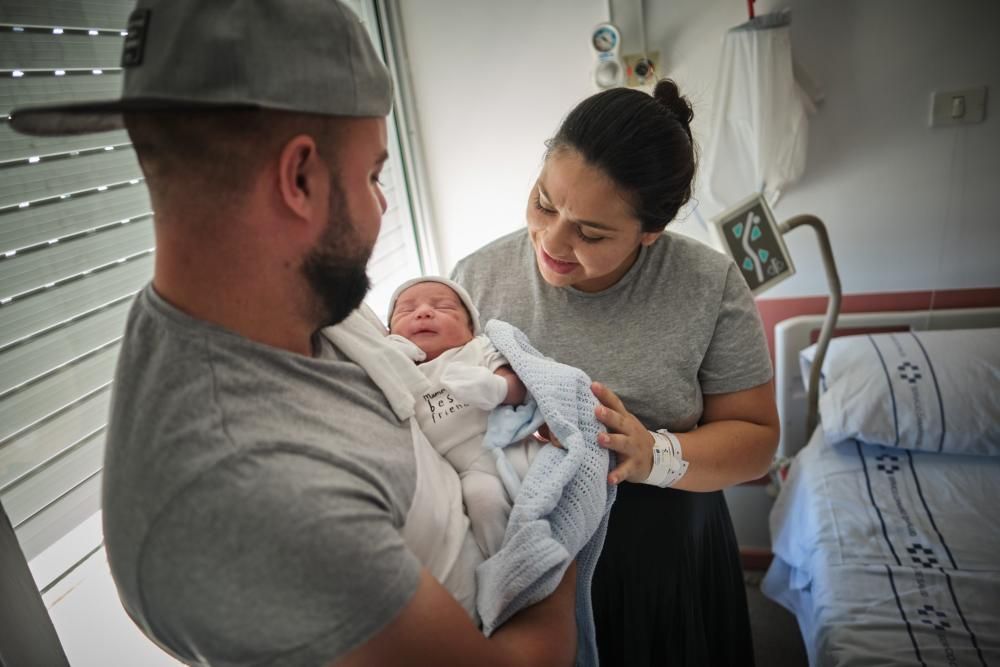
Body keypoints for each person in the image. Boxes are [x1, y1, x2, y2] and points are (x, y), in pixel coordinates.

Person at [10, 1, 577, 665]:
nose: (383, 205)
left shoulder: (289, 299)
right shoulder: (259, 496)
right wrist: (561, 513)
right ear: (299, 178)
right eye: (372, 175)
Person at [452, 79, 781, 666]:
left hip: (665, 552)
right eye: (545, 203)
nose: (551, 241)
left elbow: (757, 441)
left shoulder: (708, 286)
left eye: (591, 232)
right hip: (527, 551)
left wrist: (654, 452)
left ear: (651, 232)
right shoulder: (477, 279)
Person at [386, 277, 540, 559]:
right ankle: (512, 567)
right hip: (467, 470)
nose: (423, 312)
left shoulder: (476, 349)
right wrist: (391, 358)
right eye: (406, 311)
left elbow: (521, 388)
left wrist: (497, 387)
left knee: (547, 476)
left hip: (511, 444)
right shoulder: (399, 369)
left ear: (470, 328)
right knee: (482, 499)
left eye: (443, 307)